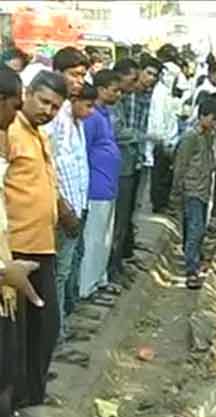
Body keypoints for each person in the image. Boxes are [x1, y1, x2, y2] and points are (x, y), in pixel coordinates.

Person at [5, 71, 66, 417]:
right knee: (15, 337)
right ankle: (13, 407)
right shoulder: (10, 132)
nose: (48, 110)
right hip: (16, 250)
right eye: (43, 102)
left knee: (44, 326)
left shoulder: (41, 135)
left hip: (43, 246)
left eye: (55, 107)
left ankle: (31, 394)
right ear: (27, 94)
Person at [0, 66, 51, 417]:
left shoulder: (31, 132)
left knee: (14, 345)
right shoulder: (10, 136)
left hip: (15, 256)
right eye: (14, 105)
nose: (14, 114)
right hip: (8, 262)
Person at [46, 47, 91, 340]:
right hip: (62, 209)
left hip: (76, 202)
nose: (79, 80)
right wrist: (63, 209)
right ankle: (55, 335)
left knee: (65, 271)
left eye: (82, 75)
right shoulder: (52, 114)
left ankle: (60, 327)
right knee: (57, 275)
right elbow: (48, 166)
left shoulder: (70, 112)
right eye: (74, 74)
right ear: (58, 72)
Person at [171, 97, 216, 289]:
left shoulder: (208, 136)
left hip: (202, 187)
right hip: (191, 187)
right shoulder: (190, 137)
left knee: (192, 226)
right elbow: (180, 165)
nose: (215, 123)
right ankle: (191, 268)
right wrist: (176, 190)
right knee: (196, 227)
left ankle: (191, 257)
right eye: (213, 119)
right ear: (202, 116)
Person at [79, 70, 122, 301]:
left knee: (104, 237)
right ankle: (87, 288)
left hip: (108, 186)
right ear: (101, 89)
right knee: (94, 239)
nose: (118, 94)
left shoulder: (105, 114)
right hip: (96, 188)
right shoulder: (91, 117)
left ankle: (99, 280)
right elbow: (83, 152)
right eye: (115, 90)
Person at [110, 58, 144, 286]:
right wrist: (140, 135)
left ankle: (118, 265)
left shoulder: (121, 100)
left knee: (123, 222)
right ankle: (112, 270)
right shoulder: (112, 102)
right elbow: (118, 131)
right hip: (119, 170)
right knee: (117, 224)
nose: (135, 84)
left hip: (128, 166)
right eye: (132, 79)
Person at [146, 55, 180, 214]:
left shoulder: (166, 92)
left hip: (168, 139)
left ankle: (163, 203)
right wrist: (163, 140)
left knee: (165, 173)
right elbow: (158, 118)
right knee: (160, 175)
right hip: (161, 141)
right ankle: (159, 205)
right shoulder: (159, 93)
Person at [133, 56, 162, 210]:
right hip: (129, 150)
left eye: (155, 75)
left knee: (137, 200)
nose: (151, 78)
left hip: (143, 152)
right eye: (149, 73)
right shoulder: (129, 95)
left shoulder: (152, 96)